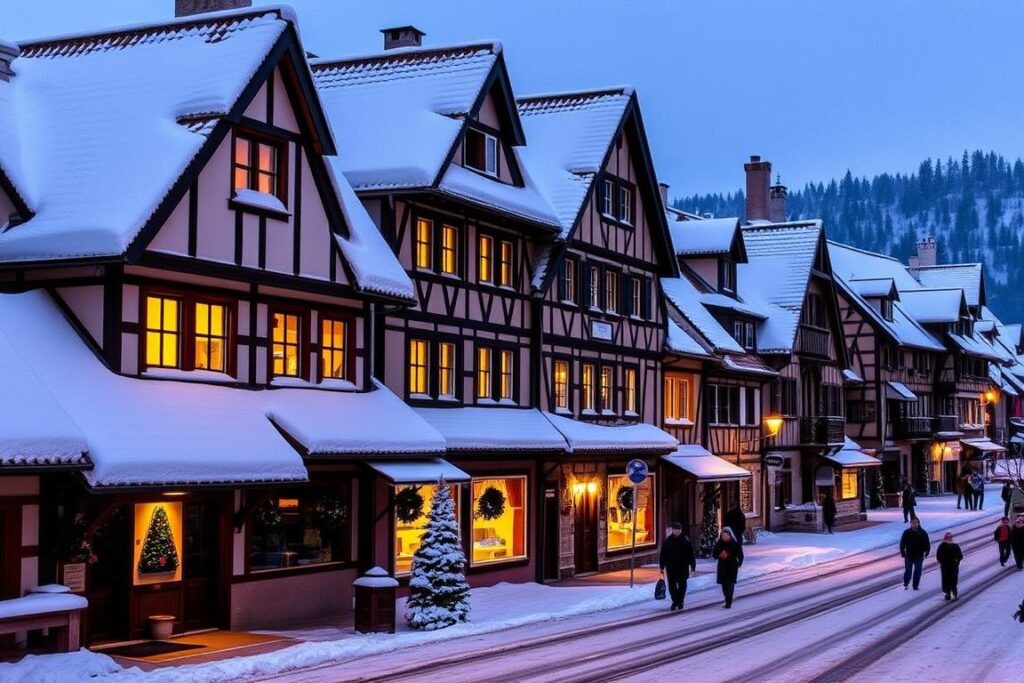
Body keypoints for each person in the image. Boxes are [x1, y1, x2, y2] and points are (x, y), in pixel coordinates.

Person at [659, 522, 697, 611]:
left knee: (682, 585)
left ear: (681, 530)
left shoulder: (685, 541)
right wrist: (661, 566)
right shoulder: (668, 541)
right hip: (671, 567)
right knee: (672, 586)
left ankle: (680, 600)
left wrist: (693, 567)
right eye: (676, 530)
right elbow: (663, 555)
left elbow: (691, 555)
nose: (677, 531)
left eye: (679, 530)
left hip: (683, 567)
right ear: (672, 530)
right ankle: (675, 601)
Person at [712, 527, 744, 608]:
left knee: (730, 583)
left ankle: (729, 601)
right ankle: (727, 597)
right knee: (724, 585)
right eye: (723, 535)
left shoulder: (735, 544)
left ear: (730, 535)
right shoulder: (719, 544)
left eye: (727, 535)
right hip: (722, 567)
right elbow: (714, 554)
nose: (725, 537)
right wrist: (719, 555)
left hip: (732, 566)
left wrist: (739, 563)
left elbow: (740, 555)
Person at [899, 517, 930, 590]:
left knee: (918, 571)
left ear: (918, 523)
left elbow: (927, 544)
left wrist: (927, 552)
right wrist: (903, 552)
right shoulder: (907, 532)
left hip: (919, 555)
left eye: (916, 523)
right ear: (910, 524)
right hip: (909, 555)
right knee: (908, 570)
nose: (914, 524)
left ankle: (915, 585)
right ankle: (906, 583)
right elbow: (902, 543)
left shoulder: (923, 533)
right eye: (913, 523)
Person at [935, 532, 963, 600]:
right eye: (948, 537)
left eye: (950, 537)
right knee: (947, 579)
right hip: (946, 566)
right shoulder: (942, 546)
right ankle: (949, 593)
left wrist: (957, 560)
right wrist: (942, 561)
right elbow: (938, 556)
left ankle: (953, 592)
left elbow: (960, 555)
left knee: (952, 579)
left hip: (953, 566)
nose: (949, 538)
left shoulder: (955, 546)